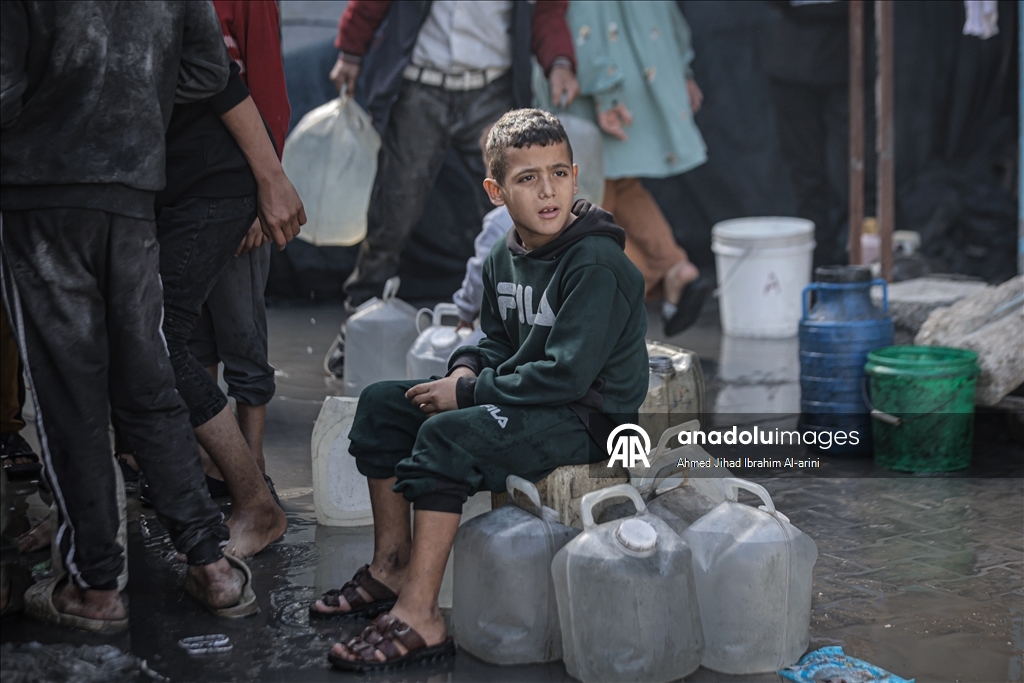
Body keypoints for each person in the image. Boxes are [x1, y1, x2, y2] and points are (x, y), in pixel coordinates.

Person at [310, 109, 648, 672]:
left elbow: (566, 376)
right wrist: (465, 370)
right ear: (496, 191)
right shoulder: (504, 257)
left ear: (575, 175)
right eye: (527, 178)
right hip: (528, 400)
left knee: (449, 435)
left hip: (591, 420)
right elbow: (494, 339)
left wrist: (467, 397)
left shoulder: (597, 264)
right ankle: (391, 566)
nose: (548, 191)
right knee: (383, 406)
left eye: (559, 173)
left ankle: (421, 614)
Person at [0, 1, 284, 631]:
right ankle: (211, 566)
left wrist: (67, 107)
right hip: (131, 188)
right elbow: (209, 69)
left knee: (68, 391)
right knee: (147, 380)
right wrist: (131, 99)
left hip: (46, 193)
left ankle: (95, 587)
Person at [323, 0, 580, 377]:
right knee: (393, 214)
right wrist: (350, 50)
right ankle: (359, 324)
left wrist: (559, 62)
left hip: (492, 90)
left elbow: (547, 11)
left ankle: (525, 330)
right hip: (421, 86)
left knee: (521, 212)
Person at [536, 0, 713, 336]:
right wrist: (681, 69)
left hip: (593, 76)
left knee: (588, 196)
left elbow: (589, 17)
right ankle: (673, 266)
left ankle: (619, 291)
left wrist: (606, 89)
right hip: (633, 68)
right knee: (618, 182)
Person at [188, 0, 291, 500]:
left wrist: (262, 194)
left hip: (238, 191)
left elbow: (270, 96)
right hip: (185, 193)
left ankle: (252, 459)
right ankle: (205, 457)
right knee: (193, 335)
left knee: (243, 335)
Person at [767, 0, 862, 269]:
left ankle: (866, 252)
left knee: (861, 166)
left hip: (849, 61)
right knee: (807, 173)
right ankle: (818, 260)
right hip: (794, 65)